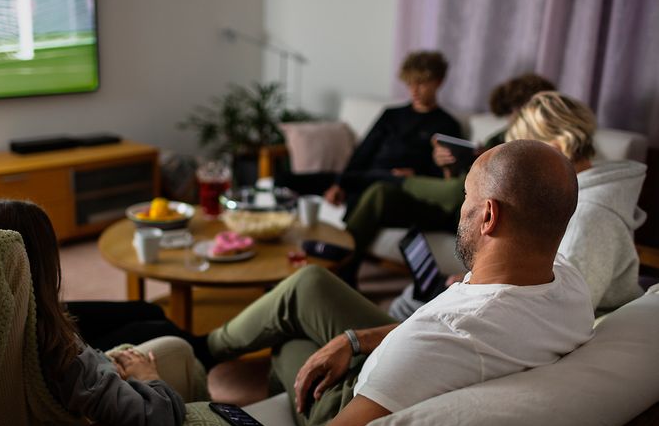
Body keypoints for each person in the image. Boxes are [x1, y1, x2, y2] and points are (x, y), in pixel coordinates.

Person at [90, 140, 595, 426]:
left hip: (377, 416)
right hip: (429, 370)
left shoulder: (439, 336)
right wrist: (353, 339)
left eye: (464, 198)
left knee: (288, 345)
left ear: (487, 216)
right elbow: (454, 324)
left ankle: (211, 363)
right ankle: (206, 349)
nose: (458, 211)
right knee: (309, 284)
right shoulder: (569, 283)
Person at [0, 199, 202, 426]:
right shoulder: (60, 356)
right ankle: (214, 347)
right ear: (44, 265)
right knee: (174, 344)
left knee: (146, 310)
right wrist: (148, 377)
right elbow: (160, 423)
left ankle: (212, 344)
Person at [345, 72, 556, 288]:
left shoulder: (540, 149)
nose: (514, 116)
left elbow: (458, 191)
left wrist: (403, 180)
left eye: (521, 109)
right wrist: (447, 166)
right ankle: (343, 267)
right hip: (454, 205)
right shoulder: (500, 136)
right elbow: (457, 182)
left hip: (471, 214)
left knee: (387, 185)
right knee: (380, 193)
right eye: (512, 109)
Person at [506, 91, 646, 313]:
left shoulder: (589, 215)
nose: (520, 167)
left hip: (597, 328)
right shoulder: (570, 192)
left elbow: (567, 312)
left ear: (557, 149)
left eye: (525, 156)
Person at [276, 50, 463, 215]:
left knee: (373, 189)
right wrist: (340, 183)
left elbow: (445, 178)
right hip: (362, 177)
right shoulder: (391, 115)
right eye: (410, 83)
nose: (414, 90)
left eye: (421, 83)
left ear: (438, 82)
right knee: (283, 180)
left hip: (394, 184)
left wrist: (416, 174)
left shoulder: (447, 125)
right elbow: (362, 153)